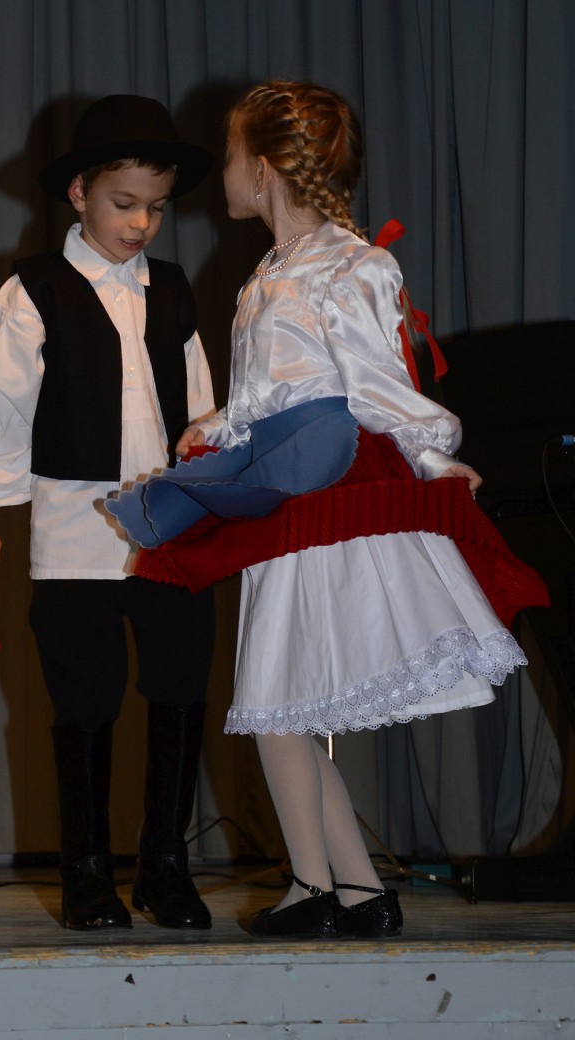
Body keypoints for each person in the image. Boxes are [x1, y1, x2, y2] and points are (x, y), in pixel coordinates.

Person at [107, 81, 549, 939]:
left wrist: (434, 454)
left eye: (231, 156)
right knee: (289, 704)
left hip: (326, 488)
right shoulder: (269, 271)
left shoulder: (353, 264)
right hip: (282, 480)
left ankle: (316, 889)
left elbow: (380, 385)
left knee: (278, 698)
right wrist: (218, 425)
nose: (224, 172)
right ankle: (357, 892)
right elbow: (268, 391)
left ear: (263, 170)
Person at [0, 95, 217, 931]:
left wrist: (206, 472)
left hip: (172, 528)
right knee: (86, 700)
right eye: (123, 203)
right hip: (76, 533)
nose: (141, 224)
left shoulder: (172, 292)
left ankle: (165, 866)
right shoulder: (32, 290)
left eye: (157, 208)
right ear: (78, 194)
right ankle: (88, 874)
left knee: (180, 688)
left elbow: (201, 408)